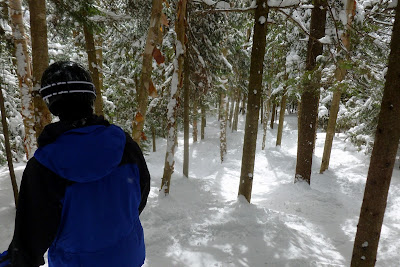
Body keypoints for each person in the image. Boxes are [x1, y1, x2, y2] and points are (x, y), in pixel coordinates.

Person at [0, 61, 151, 267]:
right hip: (128, 255)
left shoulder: (45, 165)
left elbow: (31, 239)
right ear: (90, 95)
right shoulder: (124, 144)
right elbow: (140, 194)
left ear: (51, 102)